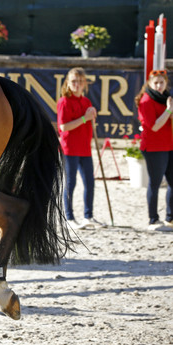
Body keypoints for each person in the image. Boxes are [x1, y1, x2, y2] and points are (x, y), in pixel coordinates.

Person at [57, 68, 104, 230]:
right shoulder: (64, 101)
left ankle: (88, 216)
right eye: (74, 81)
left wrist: (91, 115)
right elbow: (63, 126)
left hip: (85, 148)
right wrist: (85, 118)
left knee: (90, 183)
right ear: (68, 84)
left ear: (84, 84)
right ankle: (69, 217)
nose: (77, 85)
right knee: (71, 183)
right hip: (69, 148)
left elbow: (89, 122)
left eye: (80, 81)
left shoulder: (86, 102)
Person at [134, 69, 173, 231]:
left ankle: (170, 217)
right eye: (155, 82)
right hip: (154, 147)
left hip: (169, 145)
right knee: (155, 183)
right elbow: (155, 126)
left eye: (161, 82)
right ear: (149, 83)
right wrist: (169, 110)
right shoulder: (146, 100)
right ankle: (153, 219)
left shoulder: (166, 98)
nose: (159, 85)